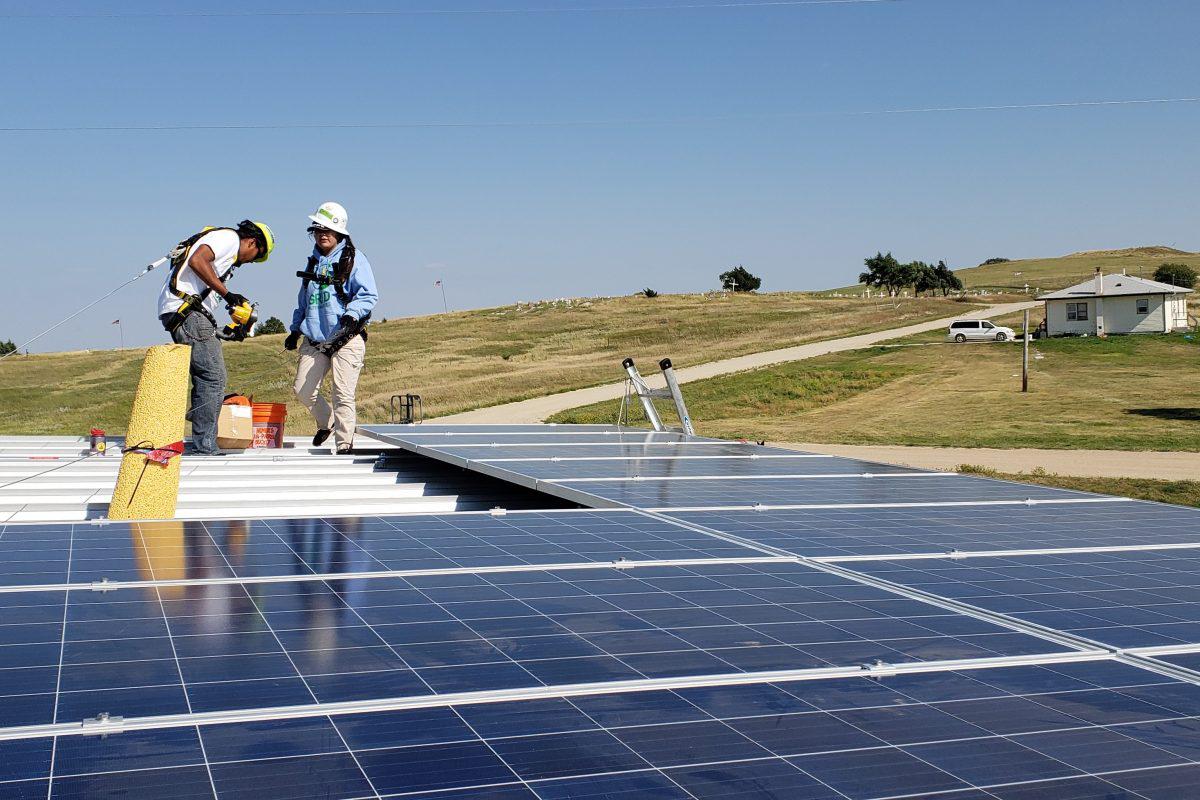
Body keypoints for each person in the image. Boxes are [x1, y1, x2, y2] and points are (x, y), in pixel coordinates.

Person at [158, 220, 274, 455]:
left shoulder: (223, 247)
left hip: (186, 312)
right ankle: (205, 446)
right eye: (254, 256)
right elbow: (197, 260)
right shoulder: (229, 238)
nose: (249, 262)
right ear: (252, 242)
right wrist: (229, 295)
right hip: (187, 310)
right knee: (213, 377)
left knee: (206, 376)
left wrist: (226, 329)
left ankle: (202, 437)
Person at [286, 202, 378, 454]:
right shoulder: (312, 264)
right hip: (315, 340)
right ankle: (326, 422)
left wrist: (352, 315)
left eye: (327, 229)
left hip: (346, 337)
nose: (322, 233)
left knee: (343, 393)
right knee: (303, 390)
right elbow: (303, 301)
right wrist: (295, 330)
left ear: (340, 233)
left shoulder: (354, 259)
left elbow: (368, 294)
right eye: (317, 229)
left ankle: (344, 444)